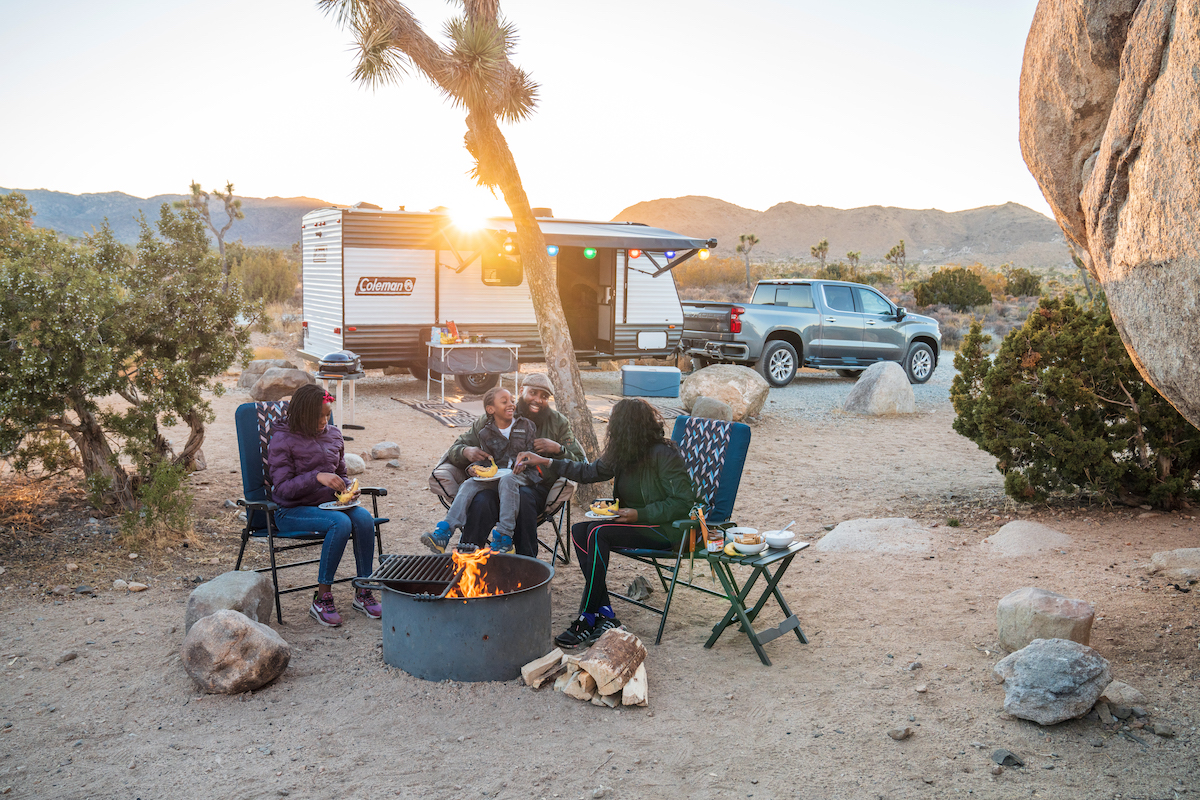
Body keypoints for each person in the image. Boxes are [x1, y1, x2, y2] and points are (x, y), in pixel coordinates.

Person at [514, 398, 696, 647]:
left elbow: (682, 502)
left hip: (666, 530)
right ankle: (607, 614)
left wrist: (638, 514)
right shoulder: (624, 451)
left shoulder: (663, 454)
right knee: (580, 530)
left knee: (598, 532)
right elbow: (588, 472)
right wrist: (546, 461)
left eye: (614, 423)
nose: (610, 428)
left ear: (627, 427)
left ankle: (588, 617)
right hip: (634, 524)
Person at [428, 373, 587, 557]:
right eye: (533, 393)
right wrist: (466, 452)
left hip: (535, 486)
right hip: (494, 485)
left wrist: (558, 449)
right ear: (521, 391)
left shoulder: (558, 422)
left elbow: (579, 464)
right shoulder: (500, 411)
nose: (538, 400)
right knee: (481, 500)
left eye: (544, 397)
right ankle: (467, 559)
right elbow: (456, 449)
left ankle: (525, 564)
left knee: (523, 497)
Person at [266, 383, 380, 627]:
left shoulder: (333, 434)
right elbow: (282, 488)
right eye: (318, 416)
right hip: (290, 511)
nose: (324, 421)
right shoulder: (282, 439)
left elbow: (340, 472)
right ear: (302, 415)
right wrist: (316, 476)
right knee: (340, 523)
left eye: (327, 415)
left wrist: (347, 488)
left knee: (363, 518)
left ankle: (363, 590)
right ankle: (322, 597)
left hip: (328, 505)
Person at [421, 387, 537, 553]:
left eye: (512, 400)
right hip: (494, 477)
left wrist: (527, 461)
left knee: (507, 479)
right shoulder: (483, 428)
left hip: (521, 475)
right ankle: (444, 532)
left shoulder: (526, 426)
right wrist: (470, 462)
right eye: (504, 402)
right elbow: (461, 450)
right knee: (469, 484)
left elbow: (535, 454)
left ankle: (504, 537)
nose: (511, 404)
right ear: (491, 409)